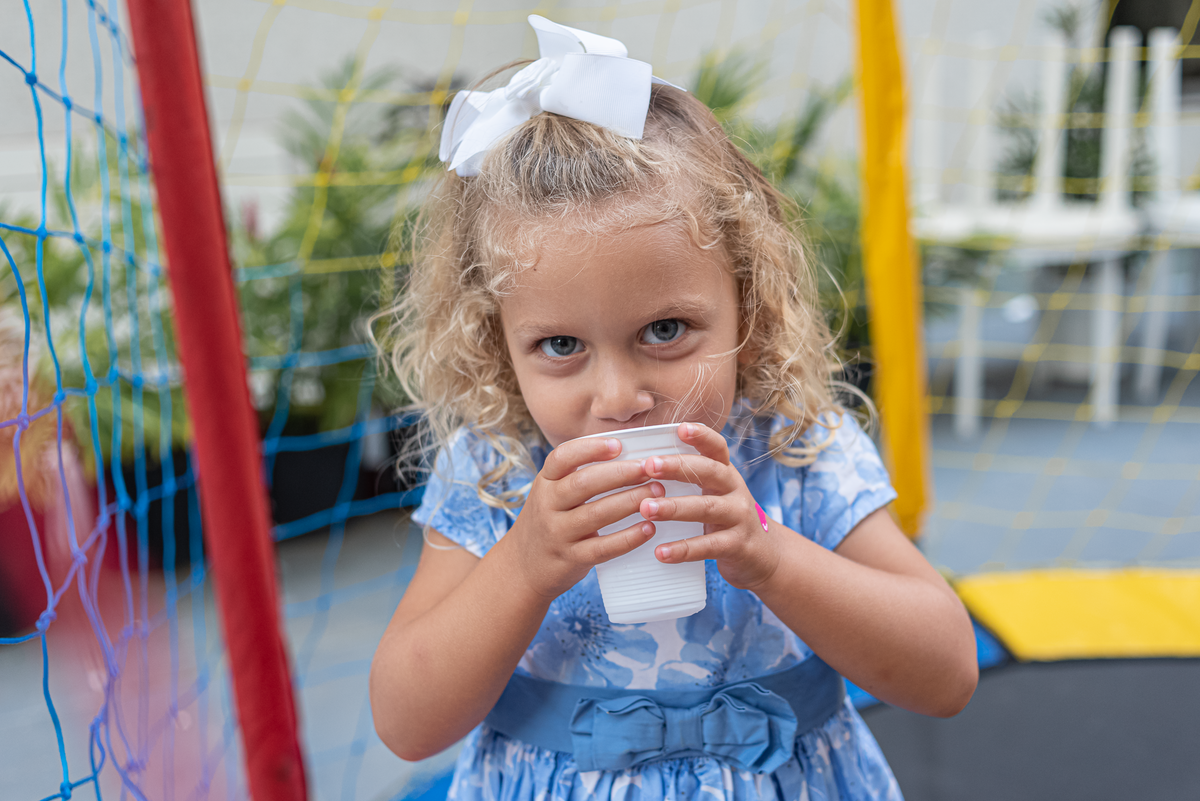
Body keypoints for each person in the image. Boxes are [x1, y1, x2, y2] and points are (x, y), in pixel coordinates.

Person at [370, 16, 976, 801]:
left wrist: (769, 554)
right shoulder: (494, 470)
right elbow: (407, 720)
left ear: (748, 312)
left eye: (664, 331)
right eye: (560, 345)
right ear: (498, 344)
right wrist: (523, 567)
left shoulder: (797, 444)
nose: (620, 398)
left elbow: (947, 672)